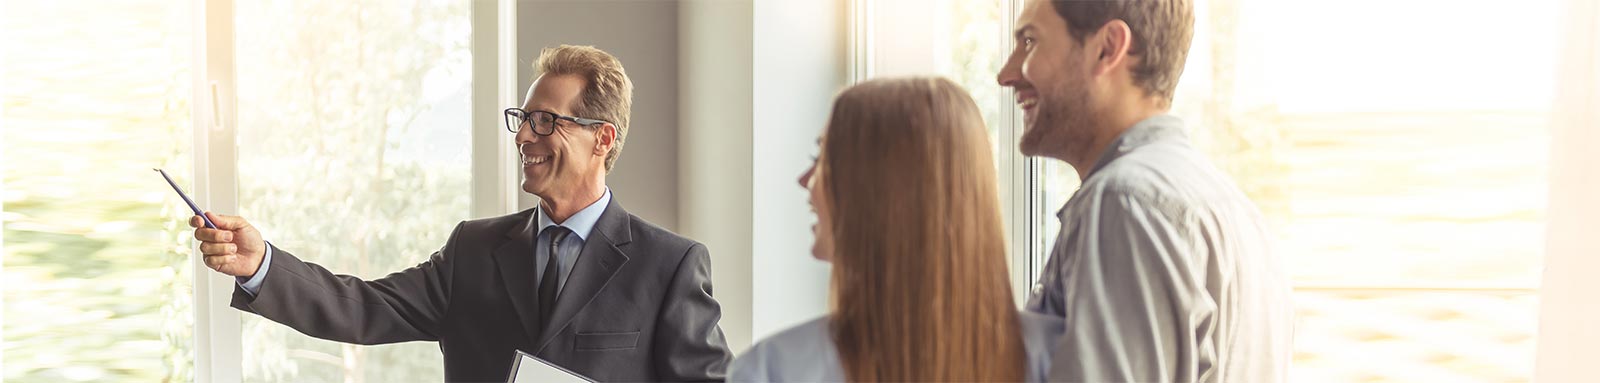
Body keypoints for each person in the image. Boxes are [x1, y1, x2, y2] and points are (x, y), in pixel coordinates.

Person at [189, 44, 732, 382]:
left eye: (544, 121)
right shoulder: (474, 250)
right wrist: (262, 264)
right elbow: (363, 307)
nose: (523, 135)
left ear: (601, 139)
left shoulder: (669, 266)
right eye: (521, 118)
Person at [996, 0, 1294, 381]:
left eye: (1029, 42)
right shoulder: (1239, 213)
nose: (1006, 74)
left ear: (1107, 48)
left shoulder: (1123, 203)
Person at [728, 77, 1063, 382]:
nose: (805, 181)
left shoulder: (772, 371)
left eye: (823, 157)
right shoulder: (1055, 359)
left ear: (880, 192)